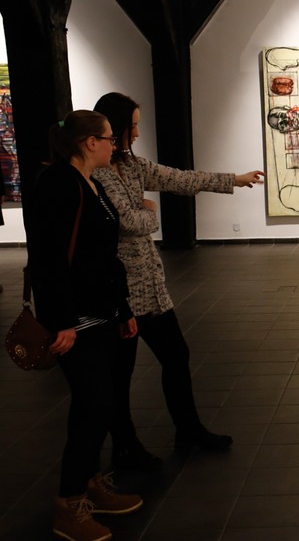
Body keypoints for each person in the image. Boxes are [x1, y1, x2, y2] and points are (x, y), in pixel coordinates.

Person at [92, 92, 264, 470]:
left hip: (151, 289)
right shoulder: (96, 174)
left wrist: (234, 180)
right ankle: (125, 446)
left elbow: (180, 178)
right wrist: (150, 212)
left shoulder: (132, 166)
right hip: (121, 293)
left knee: (176, 356)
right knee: (120, 374)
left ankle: (188, 429)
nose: (137, 133)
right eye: (132, 126)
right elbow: (127, 222)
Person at [27, 110, 142, 541]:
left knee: (103, 404)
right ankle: (69, 502)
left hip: (101, 312)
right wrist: (62, 322)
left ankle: (91, 482)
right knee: (92, 407)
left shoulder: (91, 182)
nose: (116, 144)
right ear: (89, 142)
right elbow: (49, 259)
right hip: (76, 319)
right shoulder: (58, 184)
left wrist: (122, 310)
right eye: (110, 138)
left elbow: (103, 257)